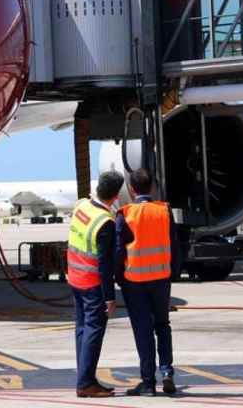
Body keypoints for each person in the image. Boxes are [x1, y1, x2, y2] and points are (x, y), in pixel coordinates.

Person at [117, 168, 180, 396]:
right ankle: (167, 372)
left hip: (134, 281)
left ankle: (148, 382)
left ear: (132, 189)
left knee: (143, 331)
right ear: (151, 187)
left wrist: (118, 279)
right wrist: (173, 273)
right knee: (162, 326)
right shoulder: (164, 211)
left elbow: (118, 250)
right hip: (161, 279)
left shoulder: (126, 213)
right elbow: (174, 244)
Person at [67, 170, 123, 398]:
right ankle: (85, 383)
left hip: (75, 278)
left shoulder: (81, 205)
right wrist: (110, 297)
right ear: (116, 195)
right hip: (92, 284)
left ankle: (85, 377)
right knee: (94, 330)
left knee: (82, 329)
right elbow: (104, 264)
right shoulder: (105, 222)